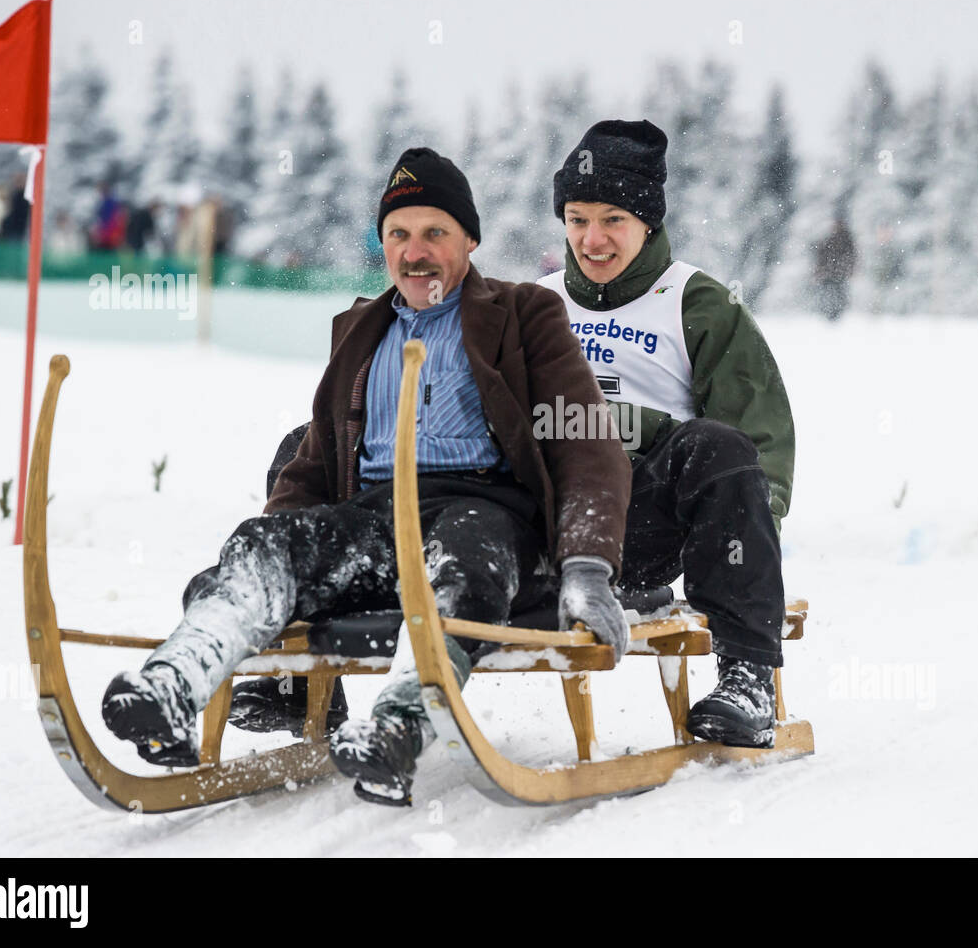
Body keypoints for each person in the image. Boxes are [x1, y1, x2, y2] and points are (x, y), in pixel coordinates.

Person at [101, 148, 632, 805]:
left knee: (464, 555)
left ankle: (397, 724)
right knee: (262, 543)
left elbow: (587, 442)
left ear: (469, 238)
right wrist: (281, 551)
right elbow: (315, 464)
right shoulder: (362, 331)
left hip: (486, 513)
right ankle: (171, 687)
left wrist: (587, 566)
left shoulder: (523, 315)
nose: (415, 252)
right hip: (376, 518)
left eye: (435, 232)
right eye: (398, 235)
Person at [538, 119, 795, 748]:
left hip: (646, 524)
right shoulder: (533, 305)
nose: (591, 240)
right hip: (543, 522)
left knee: (717, 447)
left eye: (612, 220)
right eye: (576, 219)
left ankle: (747, 678)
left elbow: (756, 450)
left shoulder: (698, 304)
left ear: (647, 221)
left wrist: (750, 536)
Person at [812, 218, 856, 320]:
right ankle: (831, 312)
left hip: (835, 272)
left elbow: (822, 255)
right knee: (833, 293)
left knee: (835, 293)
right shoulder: (841, 239)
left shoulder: (841, 240)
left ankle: (834, 313)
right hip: (835, 272)